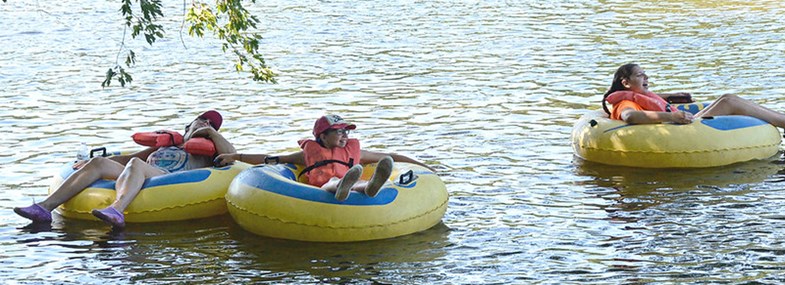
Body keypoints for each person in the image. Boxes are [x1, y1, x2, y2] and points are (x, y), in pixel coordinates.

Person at [13, 110, 236, 228]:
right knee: (99, 163)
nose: (206, 124)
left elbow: (231, 156)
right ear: (187, 126)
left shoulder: (209, 149)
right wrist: (97, 160)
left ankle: (117, 209)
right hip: (142, 172)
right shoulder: (167, 144)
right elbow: (129, 158)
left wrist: (211, 134)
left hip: (169, 179)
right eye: (202, 120)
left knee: (136, 165)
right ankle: (44, 208)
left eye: (211, 124)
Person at [215, 114, 436, 201]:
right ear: (322, 135)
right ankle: (349, 186)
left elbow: (390, 156)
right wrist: (235, 155)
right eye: (338, 132)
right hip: (322, 188)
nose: (344, 136)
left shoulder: (352, 152)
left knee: (358, 181)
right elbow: (271, 159)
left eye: (346, 132)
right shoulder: (306, 154)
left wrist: (422, 166)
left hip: (350, 181)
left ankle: (370, 187)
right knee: (333, 182)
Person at [602, 63, 785, 127]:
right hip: (682, 127)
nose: (646, 77)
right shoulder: (625, 102)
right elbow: (630, 116)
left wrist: (672, 96)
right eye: (640, 75)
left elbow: (649, 98)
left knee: (726, 98)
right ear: (626, 83)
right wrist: (672, 116)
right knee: (729, 101)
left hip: (684, 123)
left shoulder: (632, 95)